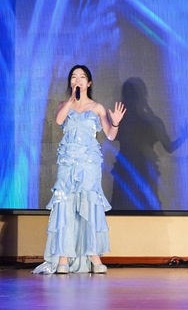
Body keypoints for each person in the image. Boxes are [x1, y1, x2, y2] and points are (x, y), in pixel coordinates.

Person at [32, 65, 126, 274]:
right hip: (67, 164)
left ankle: (93, 256)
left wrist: (115, 123)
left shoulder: (97, 107)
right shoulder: (63, 105)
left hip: (88, 164)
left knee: (89, 204)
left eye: (82, 77)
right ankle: (63, 258)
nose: (78, 80)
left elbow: (110, 135)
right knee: (65, 205)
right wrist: (71, 102)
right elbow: (59, 120)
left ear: (89, 82)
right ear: (70, 82)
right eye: (74, 77)